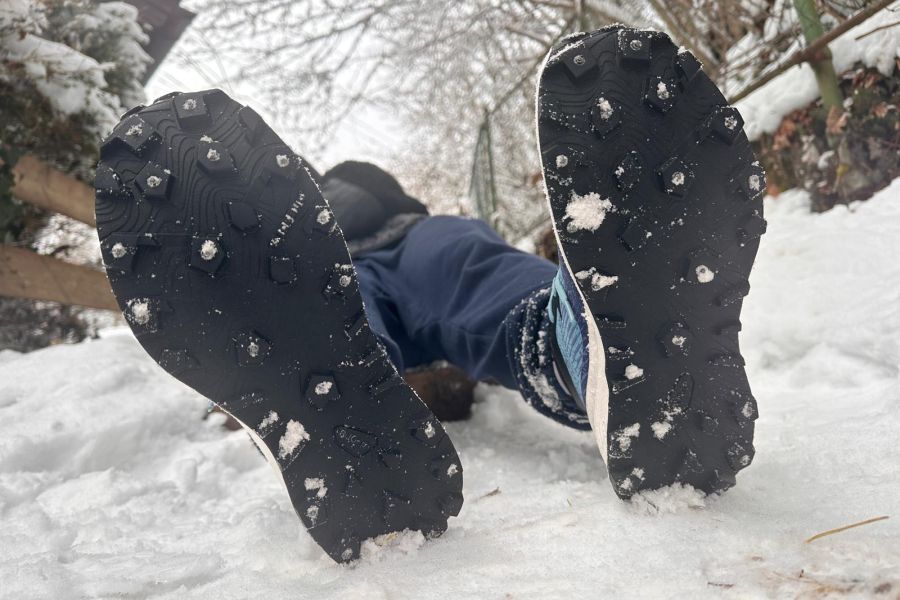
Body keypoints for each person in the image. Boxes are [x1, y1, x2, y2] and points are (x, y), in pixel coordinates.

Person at [93, 25, 765, 563]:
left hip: (398, 246)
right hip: (330, 275)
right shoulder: (289, 215)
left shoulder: (345, 186)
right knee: (359, 314)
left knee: (457, 275)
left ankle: (591, 354)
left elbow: (373, 208)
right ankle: (345, 414)